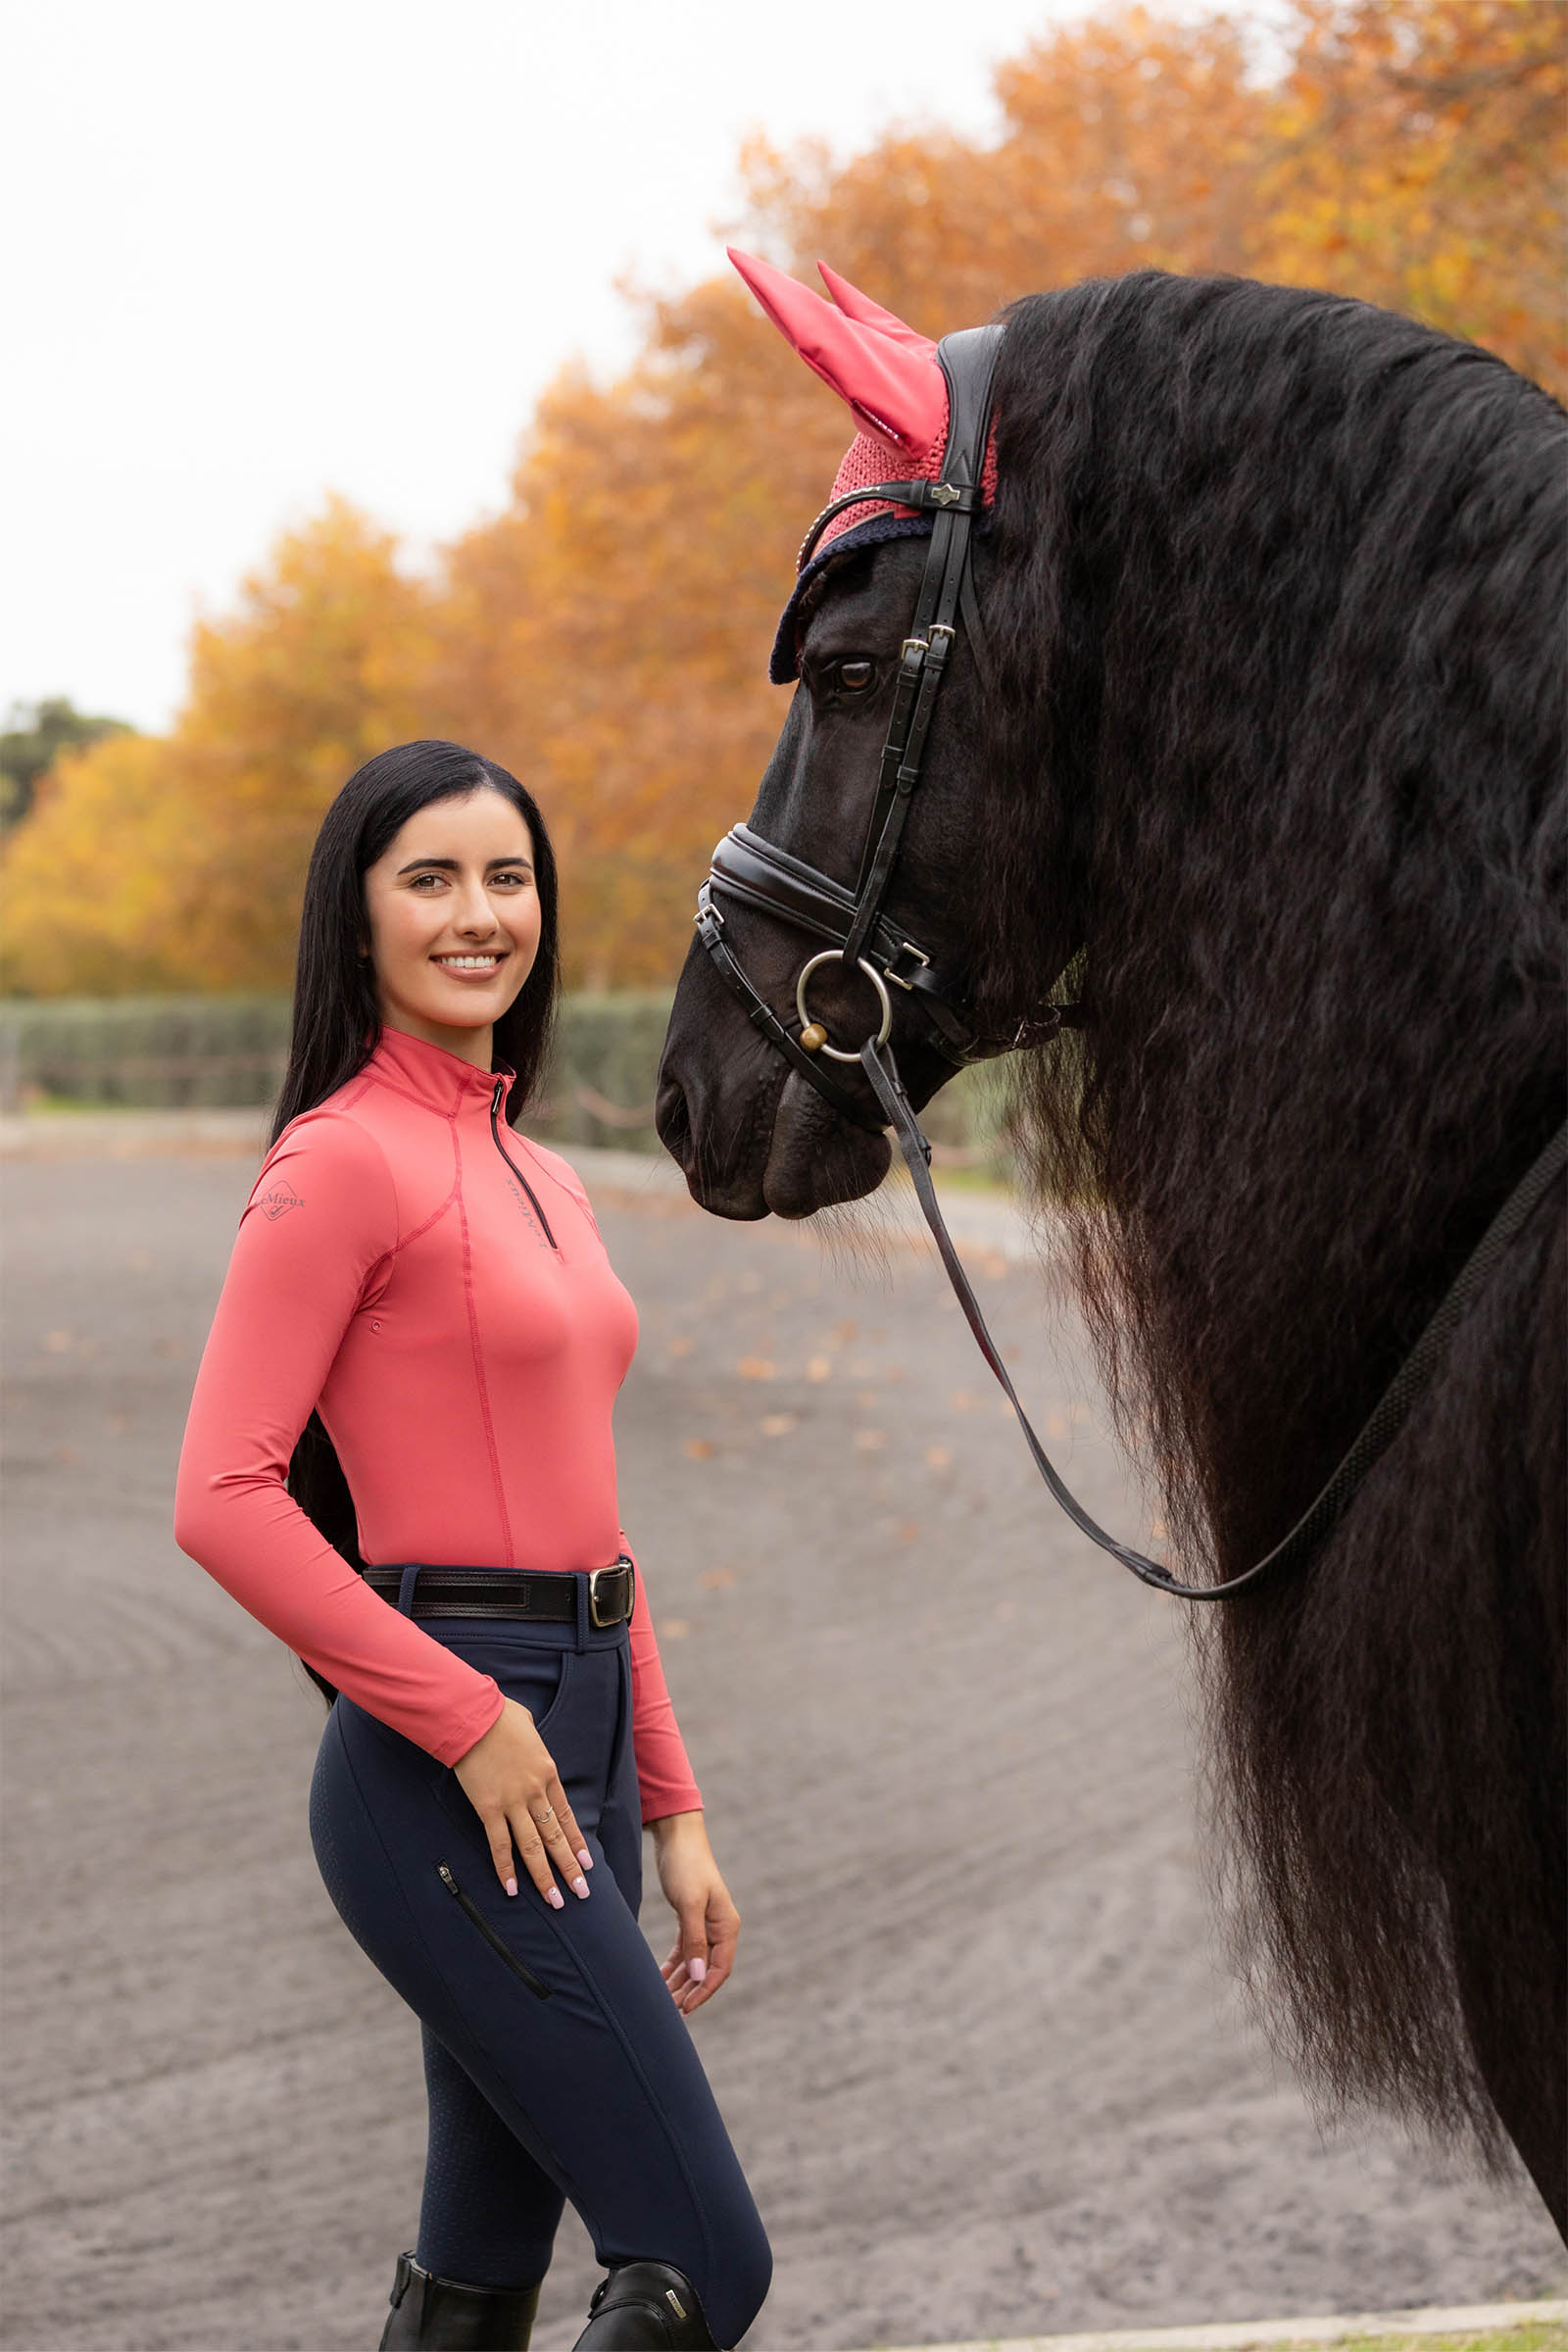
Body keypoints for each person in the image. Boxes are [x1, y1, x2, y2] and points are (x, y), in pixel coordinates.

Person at [173, 741, 771, 2351]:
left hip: (580, 1736)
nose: (477, 914)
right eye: (429, 879)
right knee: (702, 2260)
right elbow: (222, 1494)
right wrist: (466, 1719)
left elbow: (597, 1531)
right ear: (356, 914)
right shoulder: (338, 1160)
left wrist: (675, 1804)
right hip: (449, 1761)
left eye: (507, 877)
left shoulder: (546, 1175)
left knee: (485, 2255)